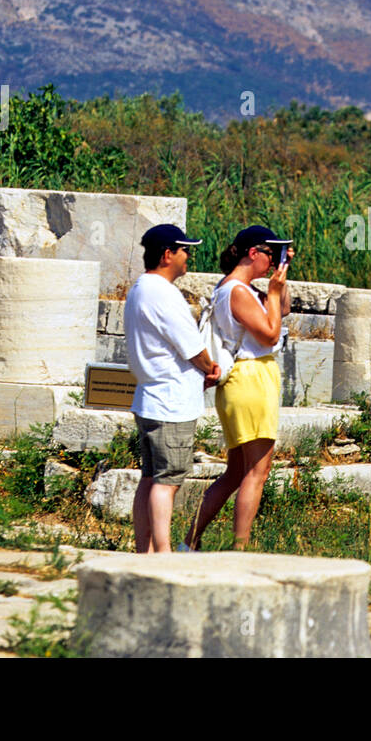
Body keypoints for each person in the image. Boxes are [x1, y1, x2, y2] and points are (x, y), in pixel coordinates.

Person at [187, 224, 293, 551]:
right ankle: (239, 550)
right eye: (270, 254)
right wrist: (273, 293)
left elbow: (282, 311)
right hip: (251, 380)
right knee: (258, 472)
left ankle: (190, 542)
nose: (272, 262)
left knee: (235, 472)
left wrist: (282, 278)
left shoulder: (233, 288)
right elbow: (271, 335)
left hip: (244, 381)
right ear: (252, 253)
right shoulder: (237, 292)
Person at [125, 223, 220, 553]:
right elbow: (192, 347)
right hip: (171, 402)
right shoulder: (164, 293)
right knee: (168, 482)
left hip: (150, 397)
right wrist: (212, 369)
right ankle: (164, 553)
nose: (188, 256)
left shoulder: (140, 288)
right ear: (168, 254)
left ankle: (144, 550)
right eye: (185, 250)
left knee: (150, 478)